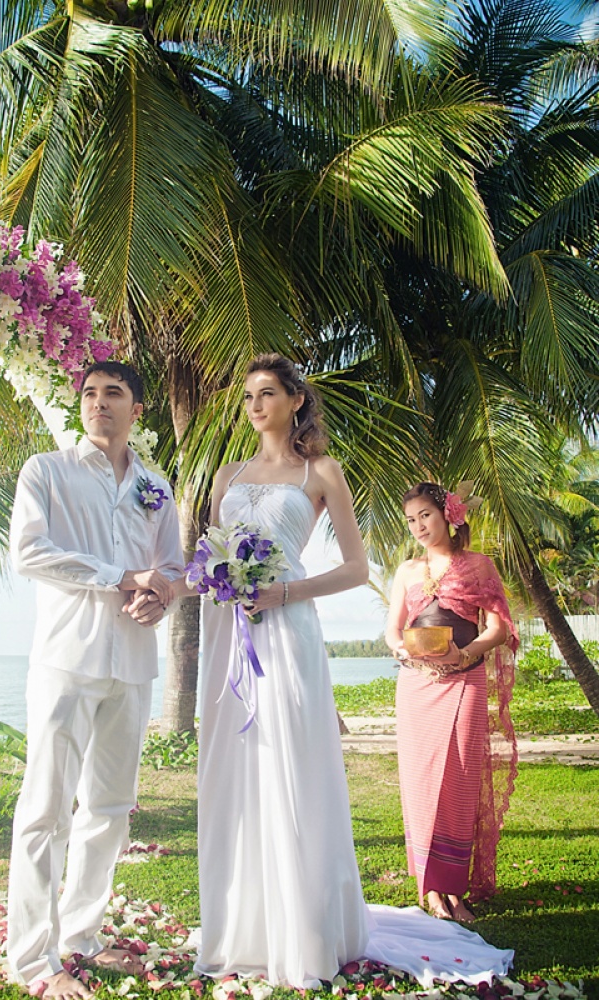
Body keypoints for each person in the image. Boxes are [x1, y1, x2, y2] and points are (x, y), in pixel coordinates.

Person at [159, 354, 514, 989]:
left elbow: (354, 568)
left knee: (292, 760)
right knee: (233, 766)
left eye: (268, 393)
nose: (256, 406)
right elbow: (207, 561)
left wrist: (284, 593)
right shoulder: (226, 475)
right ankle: (244, 925)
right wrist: (165, 590)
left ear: (296, 400)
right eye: (249, 396)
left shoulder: (321, 471)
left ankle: (305, 926)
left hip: (288, 626)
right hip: (229, 632)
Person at [7, 361, 184, 1000]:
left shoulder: (156, 486)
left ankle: (81, 936)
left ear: (137, 409)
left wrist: (160, 595)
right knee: (46, 810)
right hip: (67, 660)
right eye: (89, 393)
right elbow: (29, 552)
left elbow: (172, 566)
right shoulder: (47, 471)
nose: (98, 402)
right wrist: (121, 578)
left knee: (109, 809)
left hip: (132, 662)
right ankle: (33, 961)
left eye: (113, 393)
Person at [385, 482, 518, 924]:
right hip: (416, 686)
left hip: (464, 680)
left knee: (459, 782)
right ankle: (430, 889)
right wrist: (403, 651)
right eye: (411, 520)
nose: (418, 526)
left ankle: (453, 890)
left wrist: (464, 655)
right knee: (421, 784)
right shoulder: (407, 571)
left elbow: (498, 629)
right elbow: (393, 630)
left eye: (425, 515)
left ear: (448, 515)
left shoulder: (479, 565)